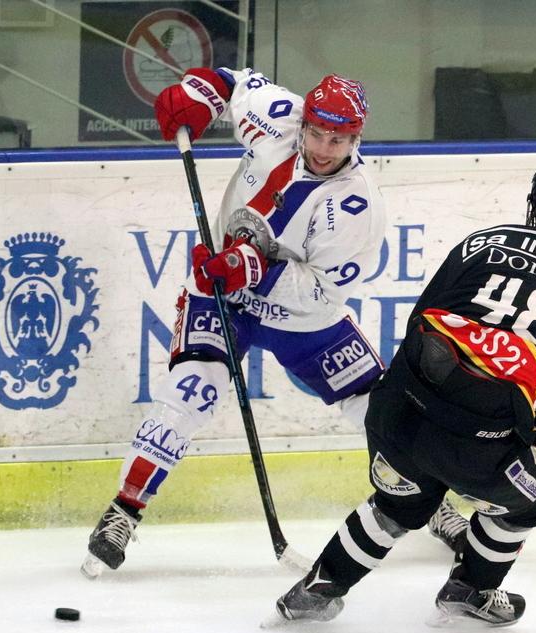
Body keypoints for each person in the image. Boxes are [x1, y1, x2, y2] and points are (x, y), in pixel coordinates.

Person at [272, 153, 536, 626]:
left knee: (397, 505)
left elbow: (419, 324)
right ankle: (471, 588)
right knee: (531, 501)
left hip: (396, 414)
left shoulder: (480, 242)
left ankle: (317, 589)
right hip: (479, 450)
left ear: (535, 201)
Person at [81, 67, 386, 578]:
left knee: (380, 409)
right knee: (189, 394)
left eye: (338, 140)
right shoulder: (278, 117)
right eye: (316, 133)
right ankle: (123, 512)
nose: (323, 148)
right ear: (304, 122)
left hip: (299, 319)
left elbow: (321, 293)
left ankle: (426, 502)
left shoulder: (358, 205)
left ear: (355, 140)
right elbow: (233, 81)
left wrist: (251, 269)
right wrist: (198, 94)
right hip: (219, 294)